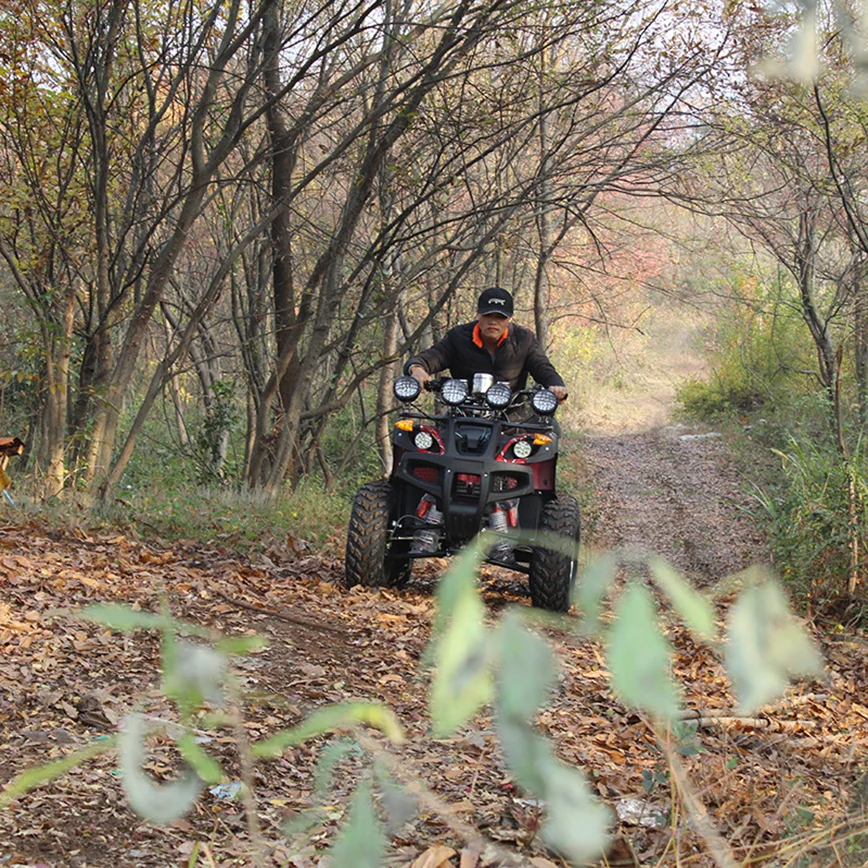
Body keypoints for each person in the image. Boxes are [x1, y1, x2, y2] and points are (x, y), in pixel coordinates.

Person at [405, 287, 567, 401]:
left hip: (511, 419)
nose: (493, 322)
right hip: (463, 414)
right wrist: (417, 369)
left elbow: (542, 367)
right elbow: (430, 357)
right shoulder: (458, 337)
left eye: (500, 317)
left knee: (548, 436)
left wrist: (556, 386)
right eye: (488, 315)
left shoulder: (524, 339)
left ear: (510, 319)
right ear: (478, 314)